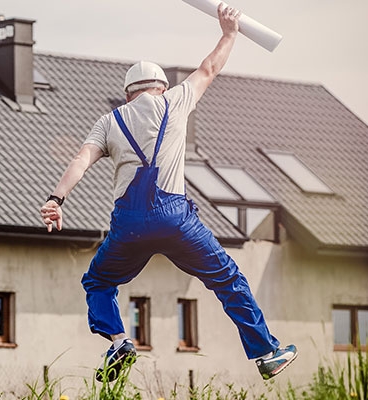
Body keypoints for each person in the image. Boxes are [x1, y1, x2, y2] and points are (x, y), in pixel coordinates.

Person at [39, 3, 297, 383]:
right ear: (160, 86)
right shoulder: (174, 101)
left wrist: (56, 200)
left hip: (128, 226)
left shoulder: (109, 121)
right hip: (176, 220)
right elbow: (210, 68)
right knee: (227, 280)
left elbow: (81, 159)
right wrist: (228, 33)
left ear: (128, 94)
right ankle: (266, 353)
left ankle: (119, 341)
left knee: (98, 282)